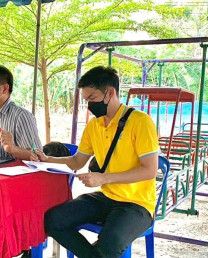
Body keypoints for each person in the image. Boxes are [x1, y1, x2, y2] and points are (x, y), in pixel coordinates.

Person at [38, 66, 159, 257]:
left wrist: (103, 178)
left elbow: (150, 171)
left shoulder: (140, 122)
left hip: (137, 204)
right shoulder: (94, 125)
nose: (89, 105)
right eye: (86, 100)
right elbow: (77, 161)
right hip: (106, 197)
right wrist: (47, 159)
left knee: (110, 244)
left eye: (92, 99)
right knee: (53, 220)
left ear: (110, 93)